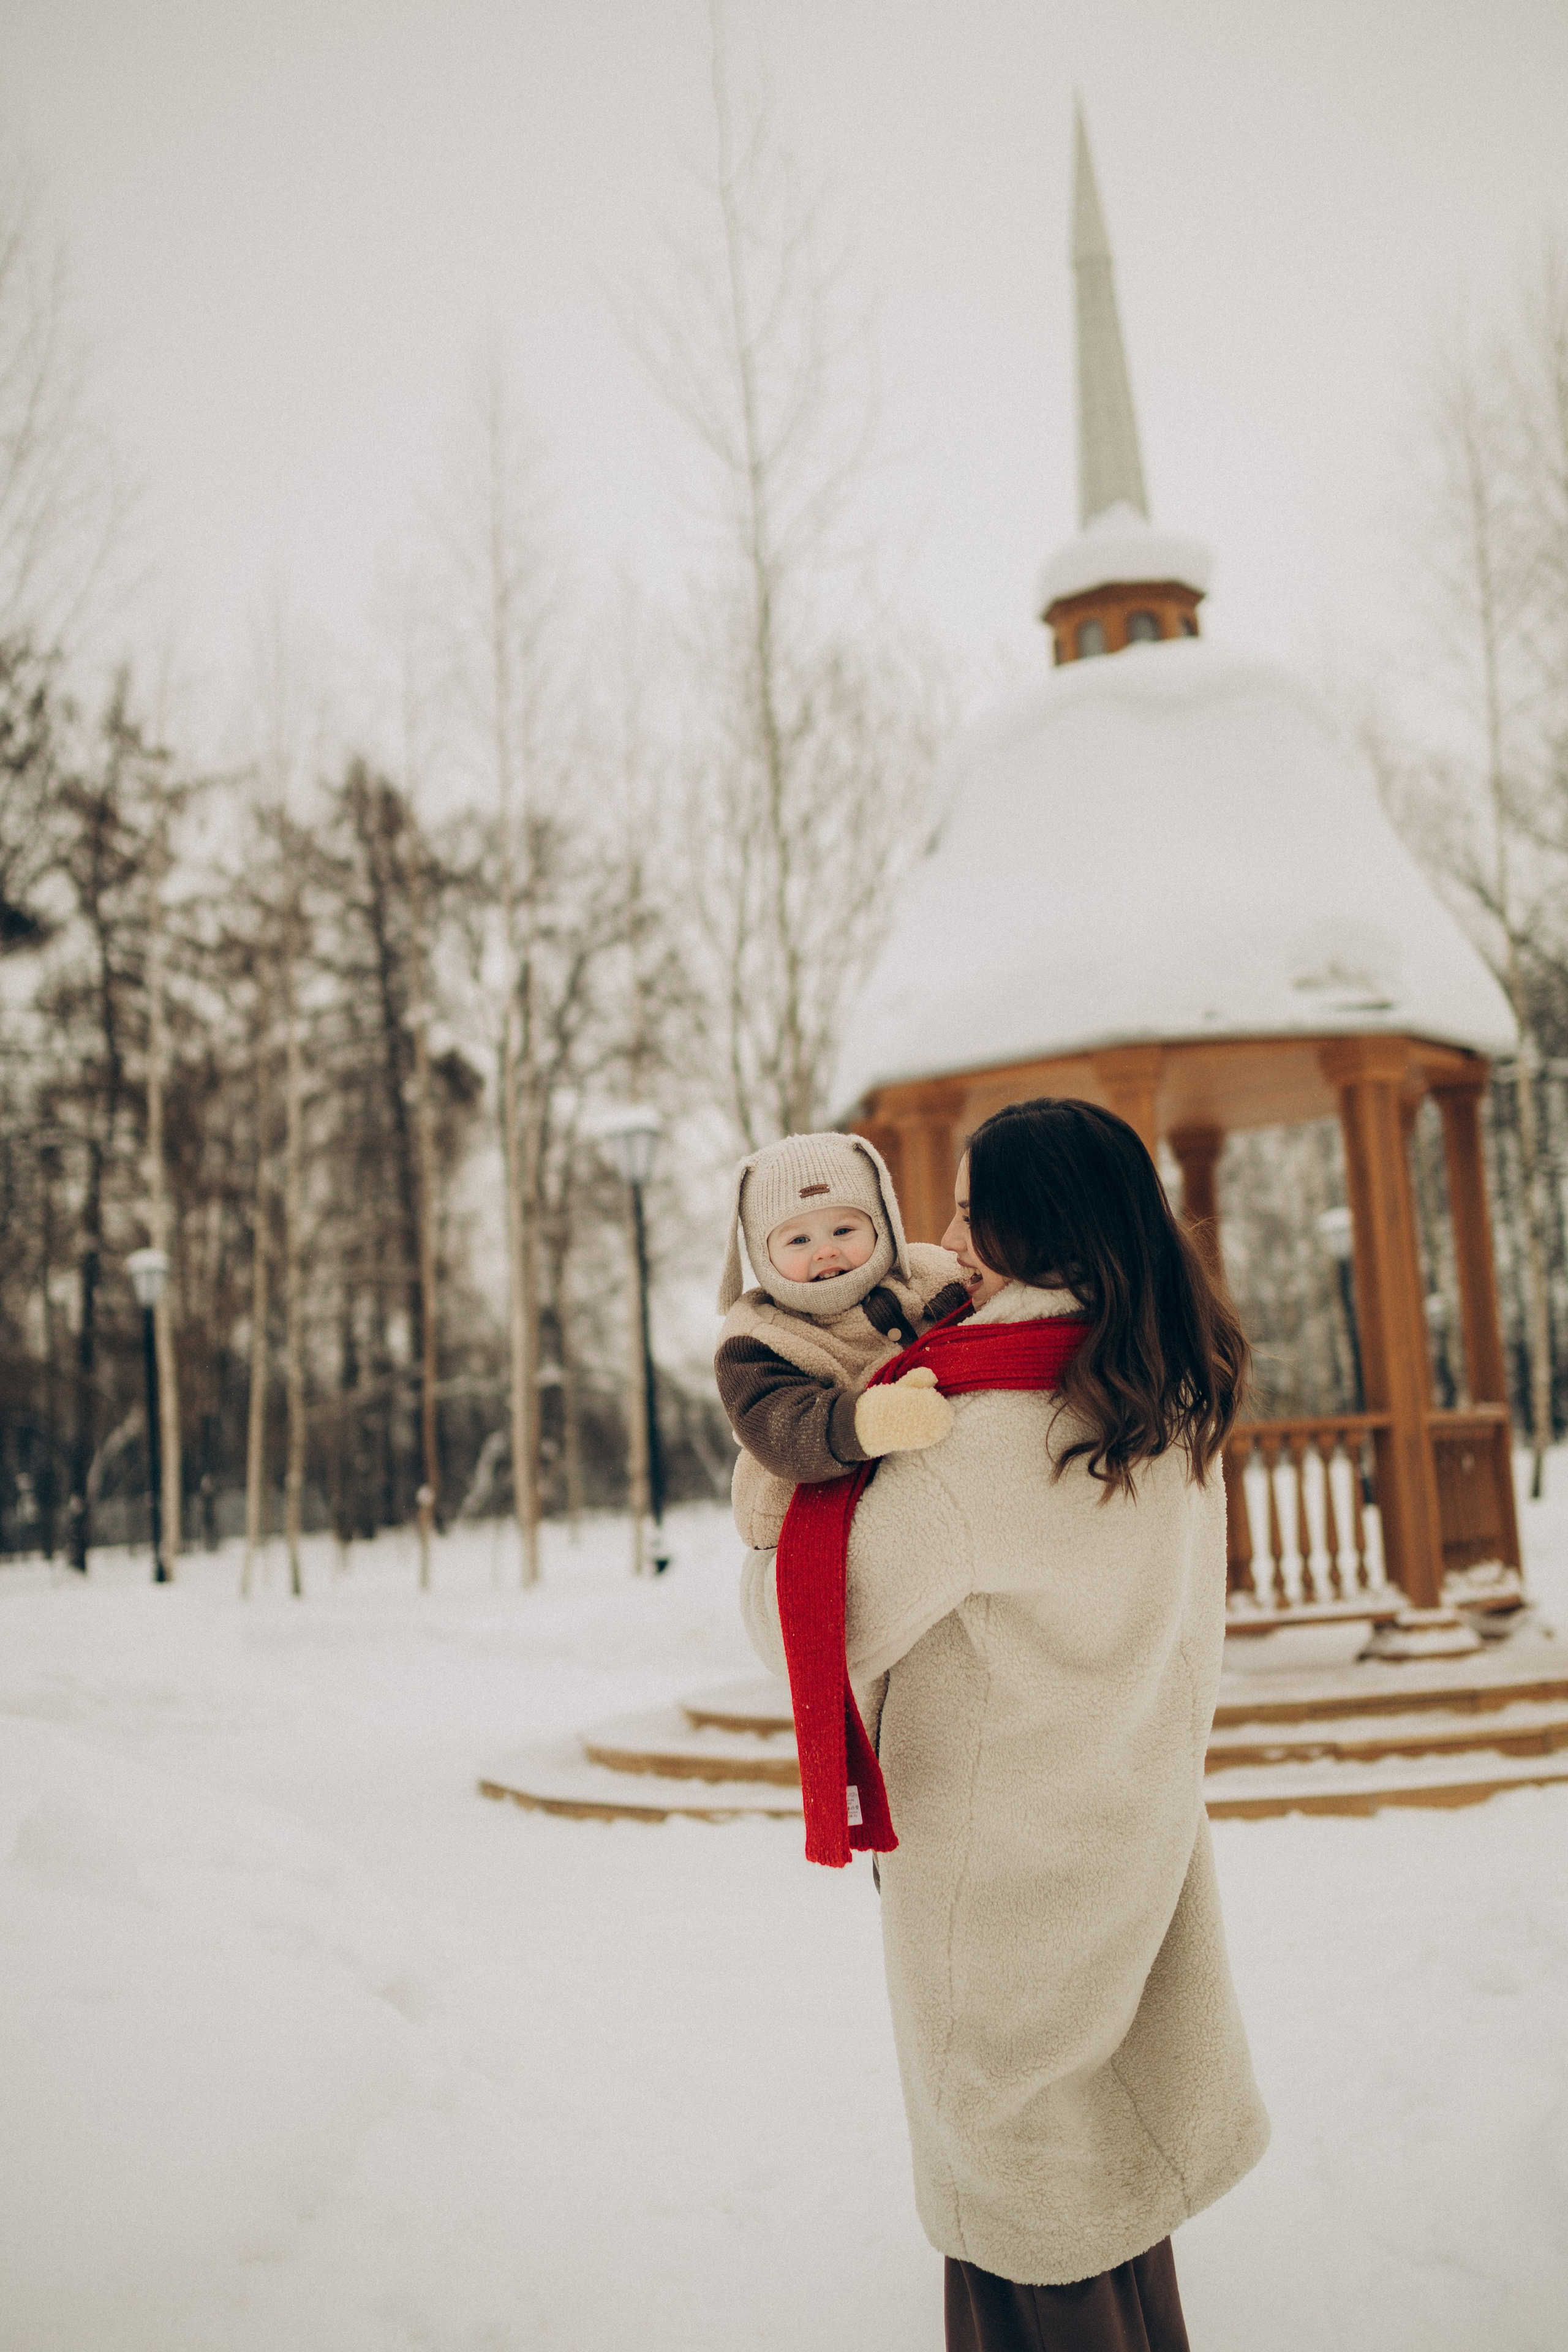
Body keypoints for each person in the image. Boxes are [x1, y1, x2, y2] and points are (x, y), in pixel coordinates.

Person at [741, 1098, 1270, 2352]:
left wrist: (772, 1483)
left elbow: (802, 1635)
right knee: (1113, 2182)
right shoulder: (1167, 1388)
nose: (942, 1237)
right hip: (1130, 1836)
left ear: (1023, 1229)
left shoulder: (969, 1439)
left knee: (1026, 2220)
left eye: (969, 1213)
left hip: (1001, 1889)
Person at [714, 1130, 968, 1553]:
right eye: (799, 1240)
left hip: (945, 1486)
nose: (826, 1251)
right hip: (813, 1512)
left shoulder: (933, 1274)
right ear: (762, 1254)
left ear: (881, 1224)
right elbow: (779, 1427)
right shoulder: (758, 1336)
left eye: (844, 1229)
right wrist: (868, 1422)